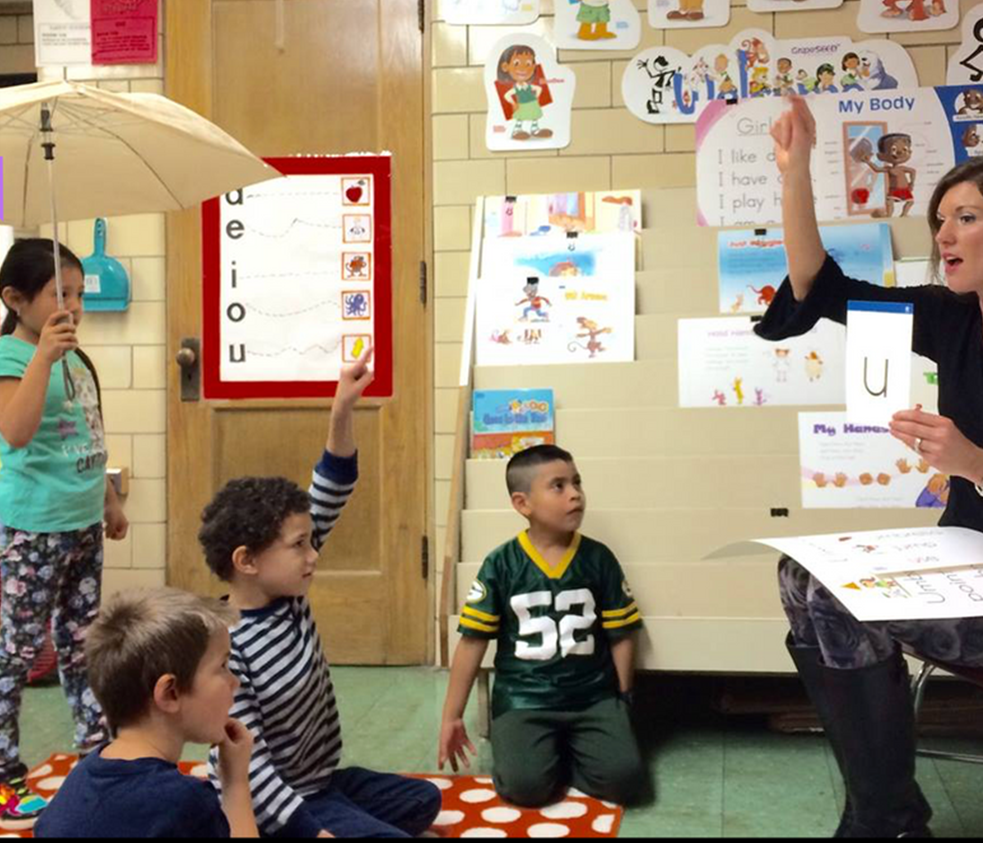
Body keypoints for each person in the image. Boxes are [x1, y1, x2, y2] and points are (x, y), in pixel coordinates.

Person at [757, 97, 983, 837]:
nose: (942, 234)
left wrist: (980, 465)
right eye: (940, 218)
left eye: (965, 217)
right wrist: (796, 172)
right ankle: (887, 815)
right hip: (971, 562)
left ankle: (883, 819)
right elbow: (822, 290)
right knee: (804, 577)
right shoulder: (953, 316)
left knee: (832, 604)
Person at [197, 352, 442, 839]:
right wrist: (313, 831)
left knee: (425, 800)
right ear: (247, 561)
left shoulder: (286, 591)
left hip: (319, 782)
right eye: (298, 546)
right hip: (274, 801)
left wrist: (341, 412)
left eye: (311, 541)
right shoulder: (225, 647)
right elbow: (250, 771)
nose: (314, 556)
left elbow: (334, 482)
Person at [0, 239, 129, 830]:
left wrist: (108, 500)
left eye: (78, 294)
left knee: (83, 645)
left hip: (81, 523)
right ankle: (2, 774)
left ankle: (94, 758)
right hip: (33, 527)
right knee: (16, 653)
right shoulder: (10, 357)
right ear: (16, 299)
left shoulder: (77, 357)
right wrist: (43, 359)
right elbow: (18, 433)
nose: (73, 306)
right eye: (60, 294)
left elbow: (88, 436)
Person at [438, 445, 645, 809]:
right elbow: (472, 642)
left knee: (624, 782)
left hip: (592, 697)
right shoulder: (501, 563)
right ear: (523, 504)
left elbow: (621, 634)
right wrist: (451, 716)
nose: (575, 493)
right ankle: (542, 754)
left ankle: (567, 751)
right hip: (524, 698)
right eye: (558, 486)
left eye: (577, 482)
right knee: (525, 789)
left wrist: (622, 698)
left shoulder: (598, 558)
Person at [34, 588, 257, 838]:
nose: (234, 682)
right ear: (170, 693)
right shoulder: (184, 803)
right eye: (223, 667)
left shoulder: (79, 777)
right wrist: (235, 783)